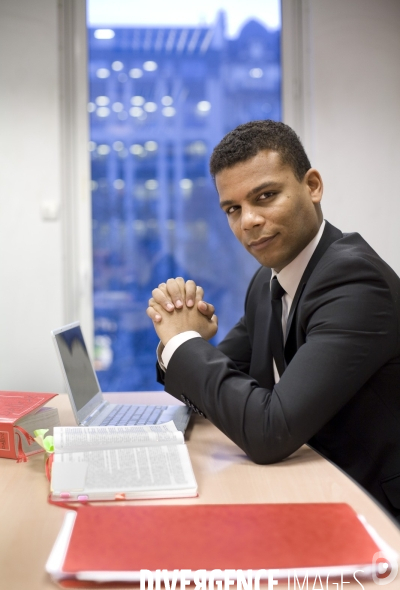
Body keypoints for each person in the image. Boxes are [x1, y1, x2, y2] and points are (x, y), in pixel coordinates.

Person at [146, 120, 400, 521]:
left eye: (265, 196)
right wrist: (183, 341)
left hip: (375, 508)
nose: (248, 221)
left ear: (312, 186)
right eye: (233, 209)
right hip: (316, 484)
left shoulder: (355, 282)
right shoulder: (268, 281)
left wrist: (183, 344)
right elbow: (217, 387)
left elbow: (268, 430)